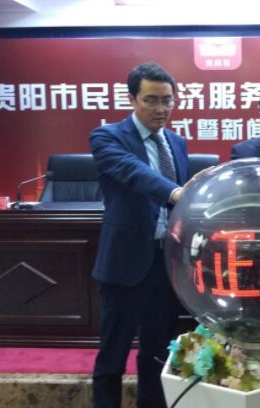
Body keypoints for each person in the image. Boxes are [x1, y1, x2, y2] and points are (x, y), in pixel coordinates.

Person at [90, 62, 189, 408]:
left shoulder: (177, 142)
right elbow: (134, 173)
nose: (161, 109)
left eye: (167, 100)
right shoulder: (107, 137)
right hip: (125, 264)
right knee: (112, 358)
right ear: (132, 99)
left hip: (166, 264)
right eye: (151, 100)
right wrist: (173, 192)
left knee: (157, 354)